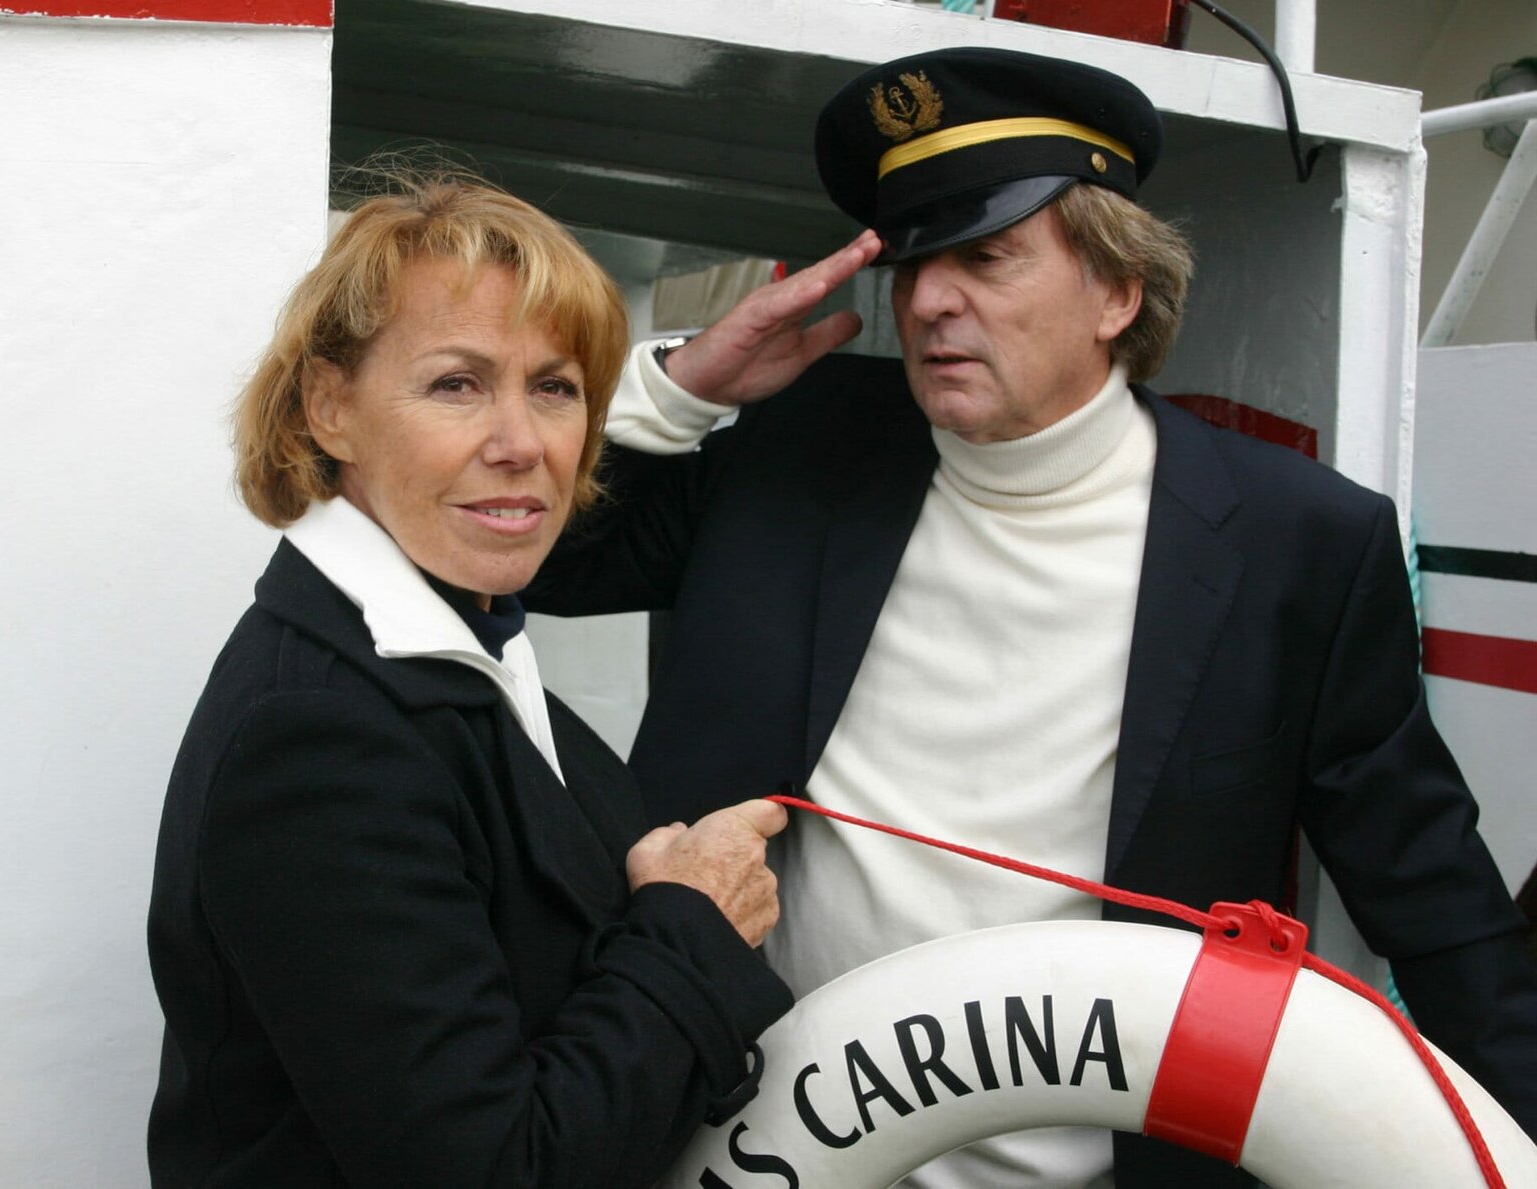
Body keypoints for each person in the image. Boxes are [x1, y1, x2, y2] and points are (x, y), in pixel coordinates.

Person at [526, 46, 1537, 1187]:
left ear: (1117, 291)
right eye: (912, 261)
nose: (928, 300)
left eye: (985, 255)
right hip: (752, 1149)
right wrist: (679, 393)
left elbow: (1430, 893)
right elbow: (540, 568)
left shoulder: (1297, 541)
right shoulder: (803, 444)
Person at [145, 174, 793, 1188]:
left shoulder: (464, 652)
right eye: (457, 384)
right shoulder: (319, 734)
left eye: (555, 387)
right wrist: (691, 926)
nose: (521, 444)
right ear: (329, 408)